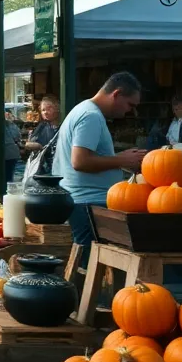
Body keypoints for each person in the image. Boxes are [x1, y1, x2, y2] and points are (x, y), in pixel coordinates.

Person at [51, 72, 146, 251]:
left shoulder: (85, 110)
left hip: (84, 203)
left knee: (88, 267)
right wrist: (120, 160)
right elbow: (80, 161)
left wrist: (120, 159)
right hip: (88, 204)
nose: (129, 111)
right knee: (88, 267)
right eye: (130, 104)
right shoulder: (90, 116)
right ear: (116, 94)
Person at [3, 110, 21, 183]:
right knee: (8, 177)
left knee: (7, 177)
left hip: (9, 154)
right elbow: (16, 136)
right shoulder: (10, 124)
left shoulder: (9, 124)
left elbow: (16, 136)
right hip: (11, 153)